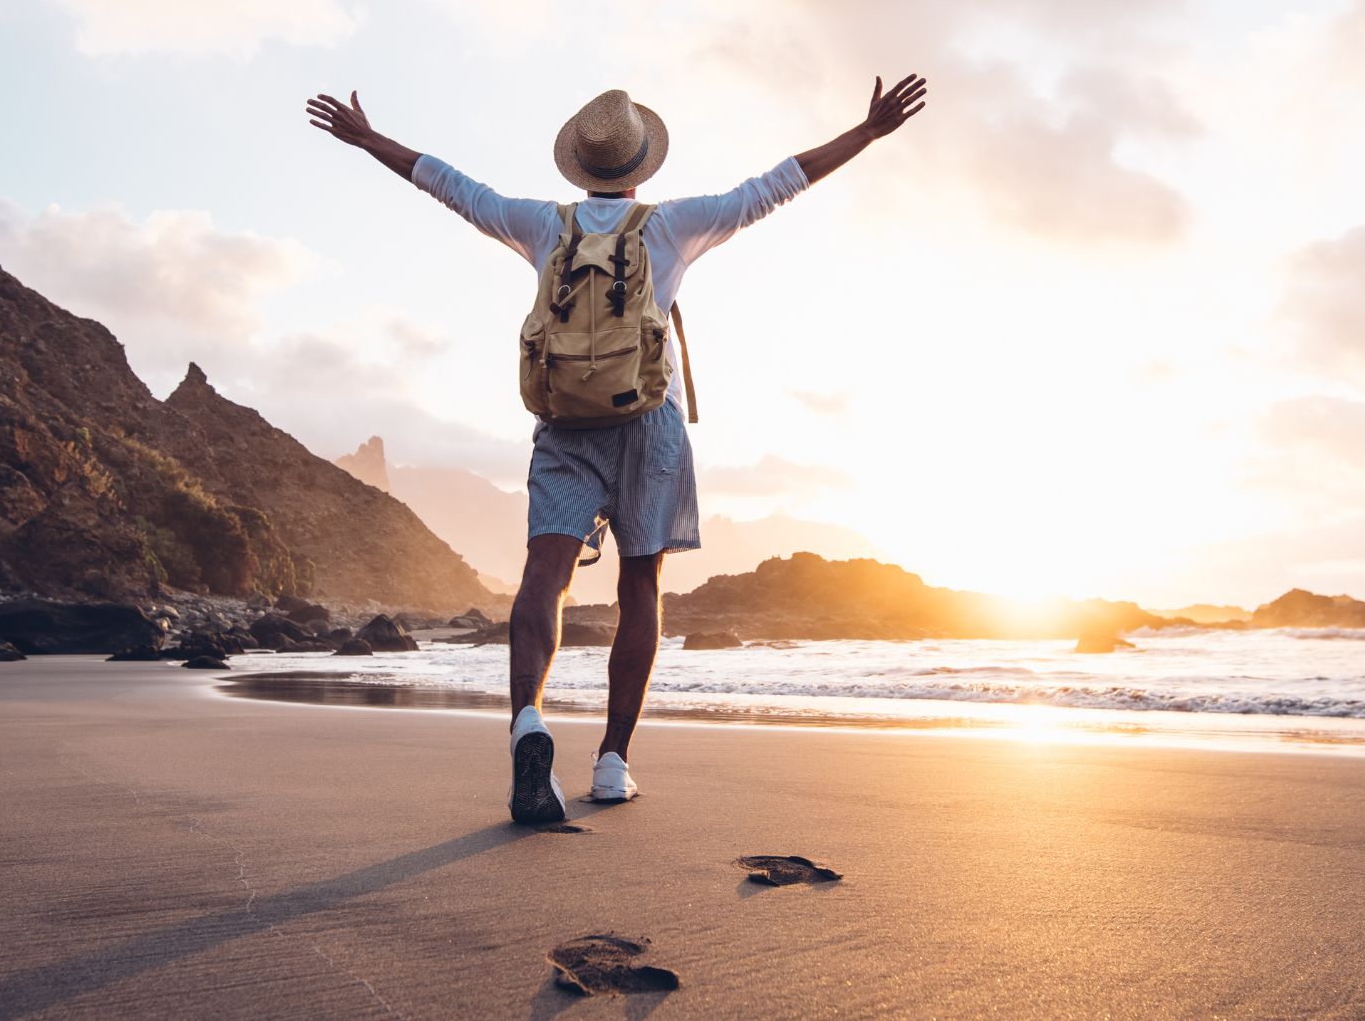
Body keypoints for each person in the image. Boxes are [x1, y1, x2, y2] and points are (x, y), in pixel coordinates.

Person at [306, 74, 927, 822]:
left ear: (581, 166)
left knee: (545, 576)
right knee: (640, 584)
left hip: (565, 423)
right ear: (638, 167)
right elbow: (776, 185)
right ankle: (611, 763)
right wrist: (865, 133)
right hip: (648, 423)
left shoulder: (542, 224)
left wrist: (369, 139)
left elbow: (452, 186)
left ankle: (528, 723)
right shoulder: (674, 225)